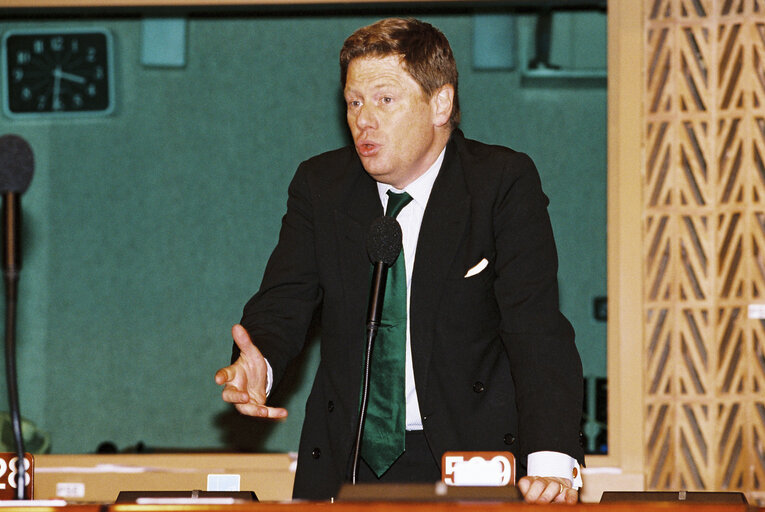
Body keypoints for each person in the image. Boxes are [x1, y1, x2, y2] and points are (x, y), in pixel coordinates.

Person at [215, 17, 584, 504]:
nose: (363, 119)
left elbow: (535, 328)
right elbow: (285, 300)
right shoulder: (321, 187)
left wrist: (553, 464)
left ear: (440, 103)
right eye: (353, 101)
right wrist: (257, 364)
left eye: (385, 100)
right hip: (349, 461)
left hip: (469, 459)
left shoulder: (499, 184)